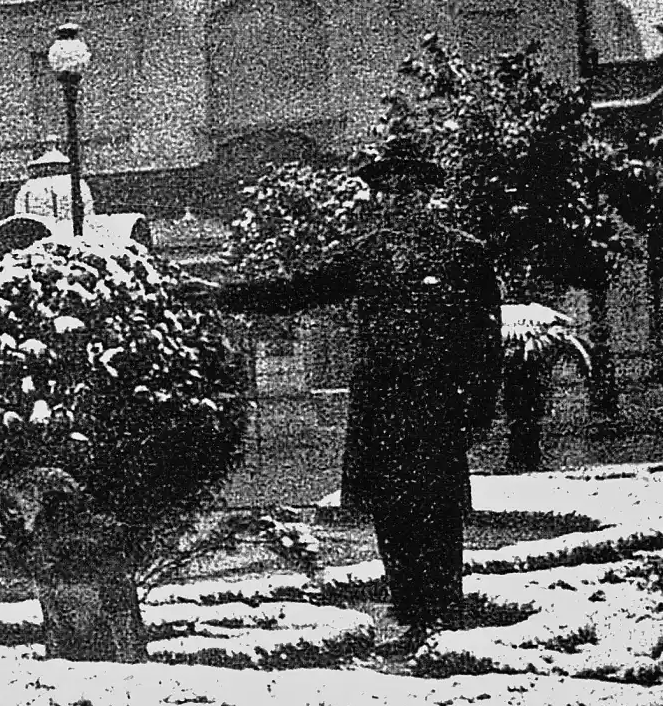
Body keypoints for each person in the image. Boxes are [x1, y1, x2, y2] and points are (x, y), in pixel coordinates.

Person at [207, 136, 501, 642]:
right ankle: (410, 615)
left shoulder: (464, 255)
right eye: (388, 193)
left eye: (408, 191)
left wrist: (476, 410)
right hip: (381, 411)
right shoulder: (368, 256)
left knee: (438, 515)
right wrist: (222, 295)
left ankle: (445, 617)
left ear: (427, 194)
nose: (397, 201)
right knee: (392, 515)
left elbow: (484, 340)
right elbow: (299, 289)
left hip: (435, 410)